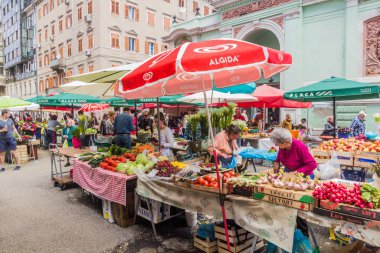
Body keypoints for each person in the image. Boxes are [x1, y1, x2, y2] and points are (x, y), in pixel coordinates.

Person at [270, 128, 317, 237]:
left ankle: (303, 234)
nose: (277, 146)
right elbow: (280, 153)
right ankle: (289, 230)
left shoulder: (299, 146)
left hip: (302, 179)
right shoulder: (284, 146)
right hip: (288, 175)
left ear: (286, 142)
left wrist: (297, 172)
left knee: (298, 206)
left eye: (278, 144)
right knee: (286, 203)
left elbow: (312, 164)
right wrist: (277, 162)